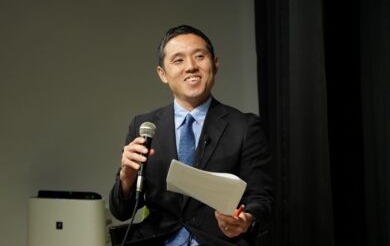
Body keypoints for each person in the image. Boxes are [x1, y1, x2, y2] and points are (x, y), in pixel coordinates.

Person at [109, 25, 272, 246]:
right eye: (178, 60)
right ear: (162, 74)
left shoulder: (244, 126)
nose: (191, 67)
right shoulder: (144, 126)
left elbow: (260, 198)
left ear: (215, 64)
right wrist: (127, 176)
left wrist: (245, 220)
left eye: (199, 57)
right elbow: (121, 211)